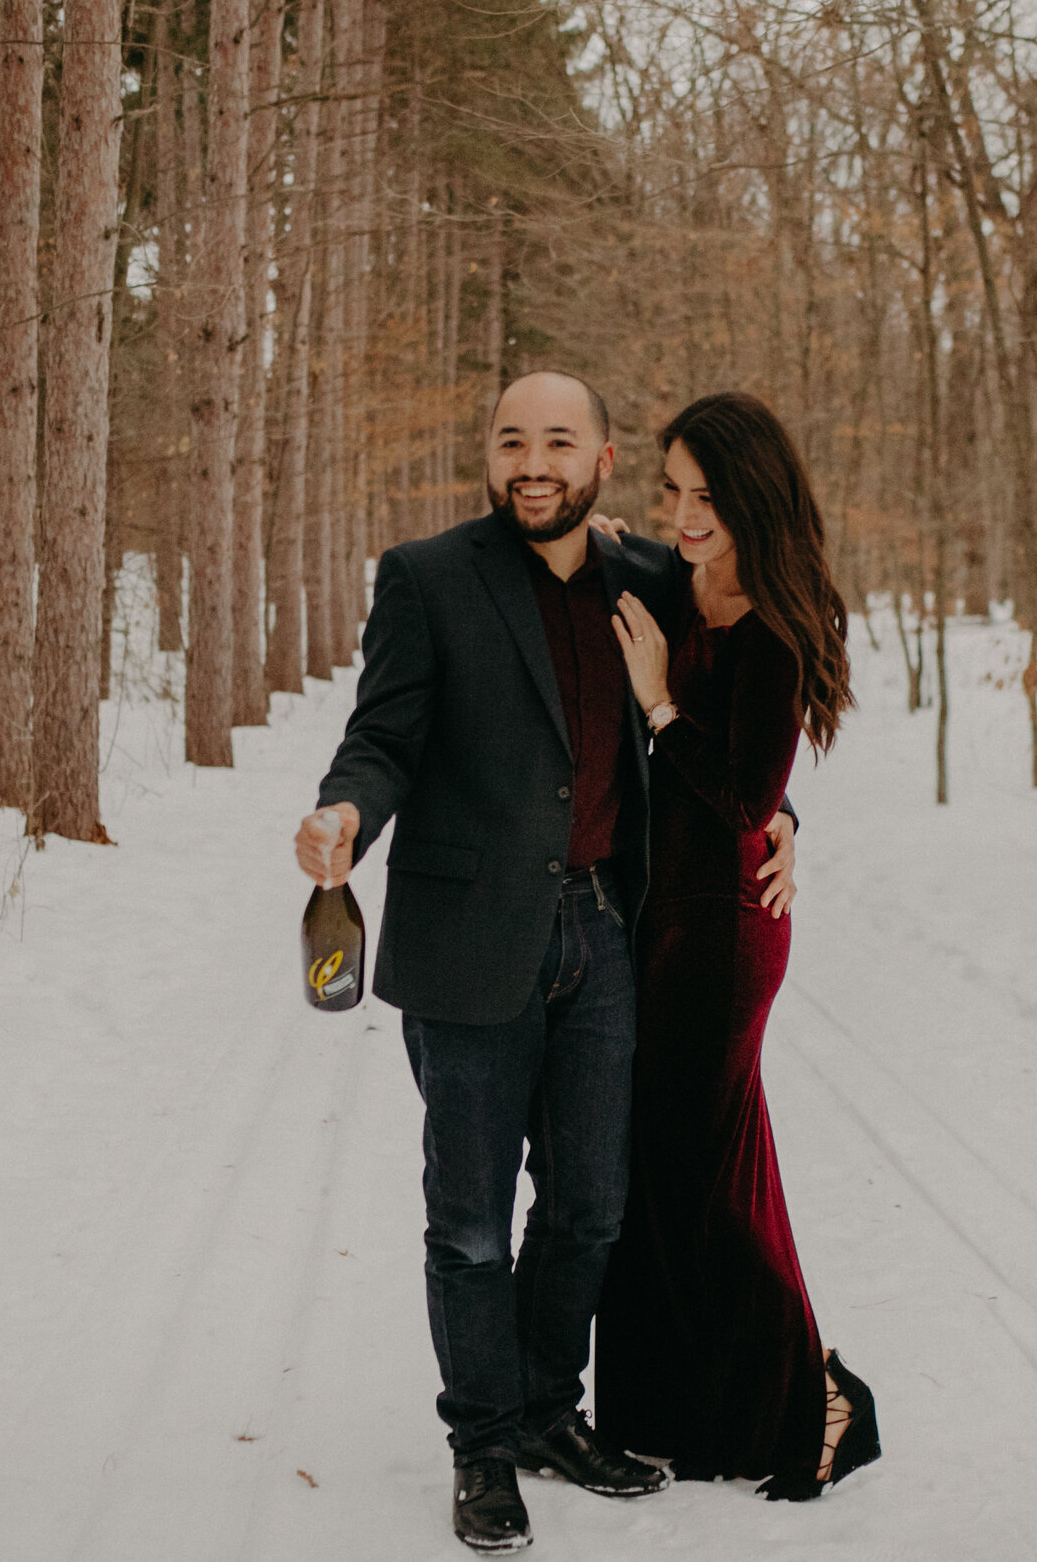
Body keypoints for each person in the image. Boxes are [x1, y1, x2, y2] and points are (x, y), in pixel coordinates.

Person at [292, 370, 799, 1554]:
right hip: (470, 945)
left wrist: (779, 821)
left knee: (588, 1208)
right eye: (512, 439)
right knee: (468, 1222)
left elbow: (721, 730)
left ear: (601, 458)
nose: (532, 460)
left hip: (606, 937)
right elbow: (383, 736)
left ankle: (544, 1411)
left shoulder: (648, 579)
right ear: (489, 453)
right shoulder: (427, 577)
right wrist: (343, 815)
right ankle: (481, 1446)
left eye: (557, 441)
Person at [592, 391, 881, 1500]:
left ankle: (820, 1398)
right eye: (671, 489)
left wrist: (660, 701)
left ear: (752, 497)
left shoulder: (780, 621)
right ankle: (686, 1405)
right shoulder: (678, 578)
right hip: (662, 917)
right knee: (666, 1167)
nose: (682, 513)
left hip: (725, 930)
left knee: (708, 1175)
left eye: (706, 496)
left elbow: (748, 792)